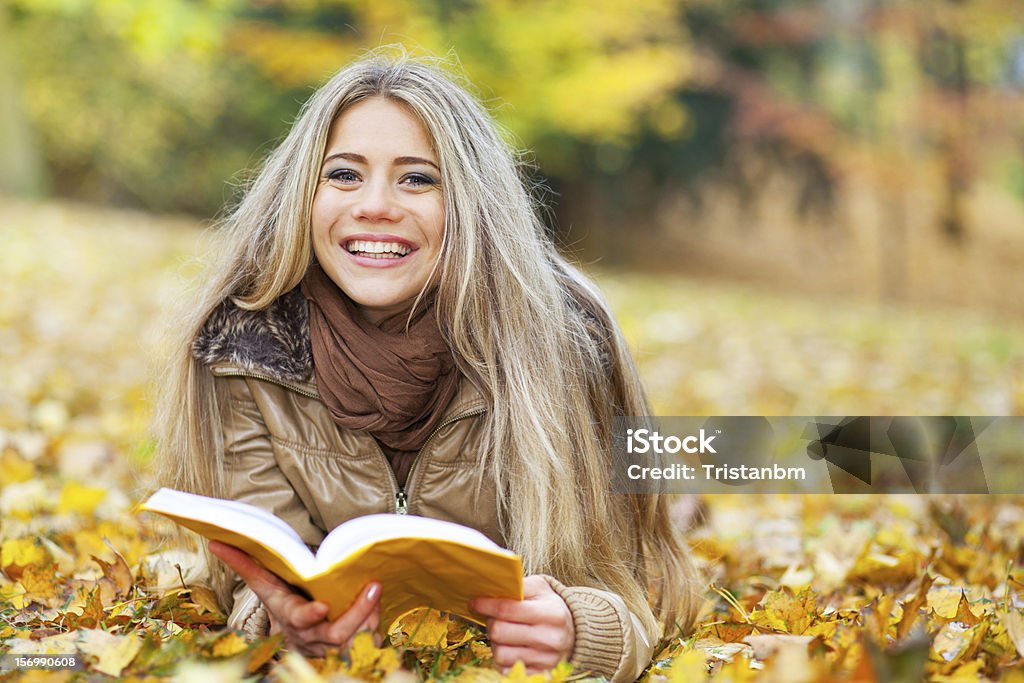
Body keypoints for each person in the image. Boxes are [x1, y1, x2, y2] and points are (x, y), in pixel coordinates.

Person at [154, 47, 700, 682]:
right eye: (344, 175)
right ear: (305, 191)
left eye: (418, 178)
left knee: (697, 479)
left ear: (470, 202)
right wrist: (278, 621)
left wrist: (579, 629)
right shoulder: (243, 343)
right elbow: (247, 578)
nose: (375, 205)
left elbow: (644, 591)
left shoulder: (565, 338)